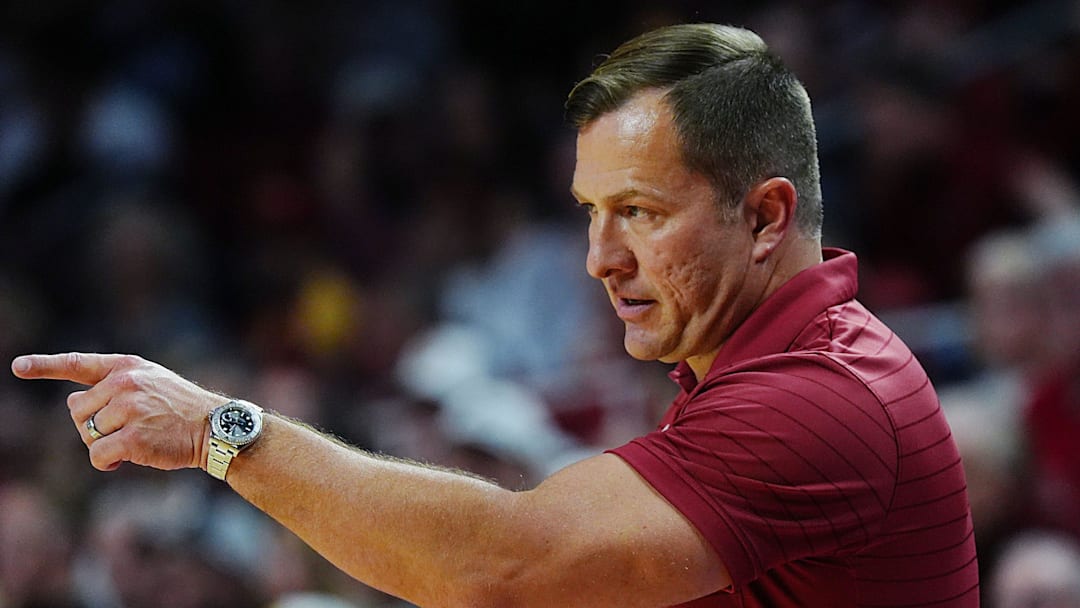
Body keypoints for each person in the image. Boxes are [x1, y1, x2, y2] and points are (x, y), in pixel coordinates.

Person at [11, 23, 978, 607]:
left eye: (639, 212)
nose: (600, 258)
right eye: (590, 212)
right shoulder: (772, 365)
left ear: (764, 217)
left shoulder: (816, 400)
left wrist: (221, 433)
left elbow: (501, 570)